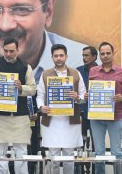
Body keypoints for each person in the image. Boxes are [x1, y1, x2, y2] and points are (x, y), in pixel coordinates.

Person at [0, 38, 36, 174]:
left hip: (20, 116)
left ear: (18, 50)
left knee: (21, 152)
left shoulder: (25, 66)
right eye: (6, 51)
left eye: (12, 51)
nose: (8, 54)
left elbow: (33, 89)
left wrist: (21, 88)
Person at [37, 44, 85, 174]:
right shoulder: (45, 74)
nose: (59, 58)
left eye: (61, 55)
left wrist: (77, 98)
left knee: (69, 156)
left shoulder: (76, 73)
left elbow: (83, 97)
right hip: (52, 121)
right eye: (56, 56)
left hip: (70, 121)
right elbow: (40, 96)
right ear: (52, 57)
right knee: (53, 157)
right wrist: (41, 107)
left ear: (66, 56)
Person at [87, 42, 122, 174]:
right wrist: (88, 95)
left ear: (113, 54)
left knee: (117, 153)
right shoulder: (93, 71)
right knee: (99, 153)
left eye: (108, 53)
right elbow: (91, 92)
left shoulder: (121, 71)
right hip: (96, 118)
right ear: (99, 56)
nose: (105, 56)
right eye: (103, 53)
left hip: (116, 116)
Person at [76, 46, 97, 163]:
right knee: (79, 145)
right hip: (82, 113)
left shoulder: (101, 70)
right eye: (83, 55)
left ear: (94, 57)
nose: (84, 58)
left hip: (97, 114)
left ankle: (96, 169)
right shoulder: (78, 71)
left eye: (87, 55)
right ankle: (77, 169)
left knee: (96, 145)